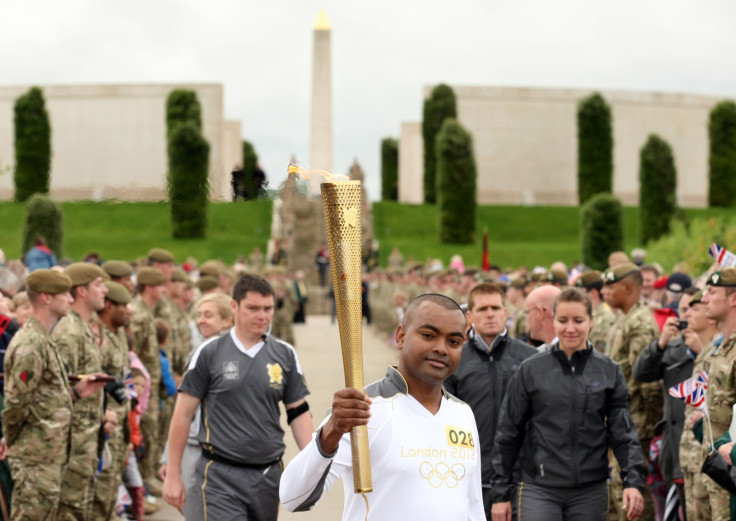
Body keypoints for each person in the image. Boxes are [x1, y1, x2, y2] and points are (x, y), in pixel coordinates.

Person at [280, 293, 485, 520]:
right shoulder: (362, 409)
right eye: (428, 335)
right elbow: (292, 497)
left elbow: (473, 507)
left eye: (454, 342)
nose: (442, 348)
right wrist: (332, 431)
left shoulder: (462, 414)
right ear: (400, 337)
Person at [164, 274, 313, 520]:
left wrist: (312, 462)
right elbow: (182, 415)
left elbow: (297, 411)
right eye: (253, 308)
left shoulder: (284, 354)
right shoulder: (209, 353)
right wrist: (172, 474)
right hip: (220, 475)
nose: (262, 316)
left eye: (267, 309)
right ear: (234, 307)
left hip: (267, 475)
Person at [490, 288, 645, 521]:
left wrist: (633, 481)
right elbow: (508, 433)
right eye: (563, 320)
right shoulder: (530, 369)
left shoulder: (608, 371)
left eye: (578, 320)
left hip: (590, 490)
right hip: (539, 488)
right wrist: (500, 493)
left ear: (591, 321)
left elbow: (622, 432)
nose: (570, 328)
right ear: (553, 320)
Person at [1, 269, 106, 520]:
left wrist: (76, 393)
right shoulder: (31, 344)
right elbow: (16, 404)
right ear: (46, 298)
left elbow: (44, 399)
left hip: (47, 454)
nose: (70, 300)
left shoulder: (42, 339)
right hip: (34, 457)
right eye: (63, 295)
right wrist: (13, 440)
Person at [444, 283, 538, 518]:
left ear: (505, 313)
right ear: (470, 316)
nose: (490, 314)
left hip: (521, 479)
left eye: (496, 308)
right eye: (483, 308)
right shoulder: (454, 360)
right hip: (469, 478)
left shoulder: (531, 359)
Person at [602, 262, 661, 521]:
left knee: (632, 493)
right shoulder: (624, 319)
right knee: (617, 491)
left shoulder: (640, 323)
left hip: (636, 422)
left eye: (611, 286)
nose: (605, 291)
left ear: (627, 288)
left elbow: (646, 380)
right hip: (621, 419)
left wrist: (648, 427)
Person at [632, 286, 699, 516]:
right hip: (675, 450)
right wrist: (659, 344)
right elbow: (640, 373)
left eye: (692, 309)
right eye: (682, 310)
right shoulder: (673, 347)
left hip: (703, 451)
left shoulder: (715, 348)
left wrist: (700, 351)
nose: (686, 316)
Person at [53, 262, 109, 520]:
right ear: (82, 291)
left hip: (85, 441)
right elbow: (57, 393)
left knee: (81, 510)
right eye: (98, 285)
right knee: (70, 512)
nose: (105, 290)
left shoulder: (82, 327)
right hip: (72, 445)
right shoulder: (68, 332)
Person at [700, 268, 736, 521]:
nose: (704, 298)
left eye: (712, 292)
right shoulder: (723, 347)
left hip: (730, 473)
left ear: (733, 299)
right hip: (715, 473)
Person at [574, 270, 616, 353]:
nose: (576, 296)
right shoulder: (588, 315)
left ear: (593, 293)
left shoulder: (605, 318)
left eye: (580, 292)